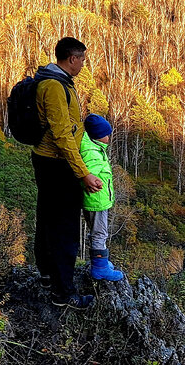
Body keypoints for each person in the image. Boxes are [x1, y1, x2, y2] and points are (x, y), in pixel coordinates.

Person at [32, 36, 102, 308]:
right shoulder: (53, 86)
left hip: (49, 161)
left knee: (48, 219)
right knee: (64, 228)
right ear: (72, 58)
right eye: (82, 58)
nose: (84, 63)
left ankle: (48, 275)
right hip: (57, 164)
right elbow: (62, 134)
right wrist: (82, 172)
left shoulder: (55, 80)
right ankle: (64, 293)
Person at [81, 114, 124, 281]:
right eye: (107, 134)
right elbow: (87, 172)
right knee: (99, 233)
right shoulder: (91, 152)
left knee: (98, 231)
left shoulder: (93, 146)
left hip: (97, 199)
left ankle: (102, 262)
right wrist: (93, 181)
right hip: (96, 201)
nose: (109, 137)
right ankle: (99, 268)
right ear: (99, 136)